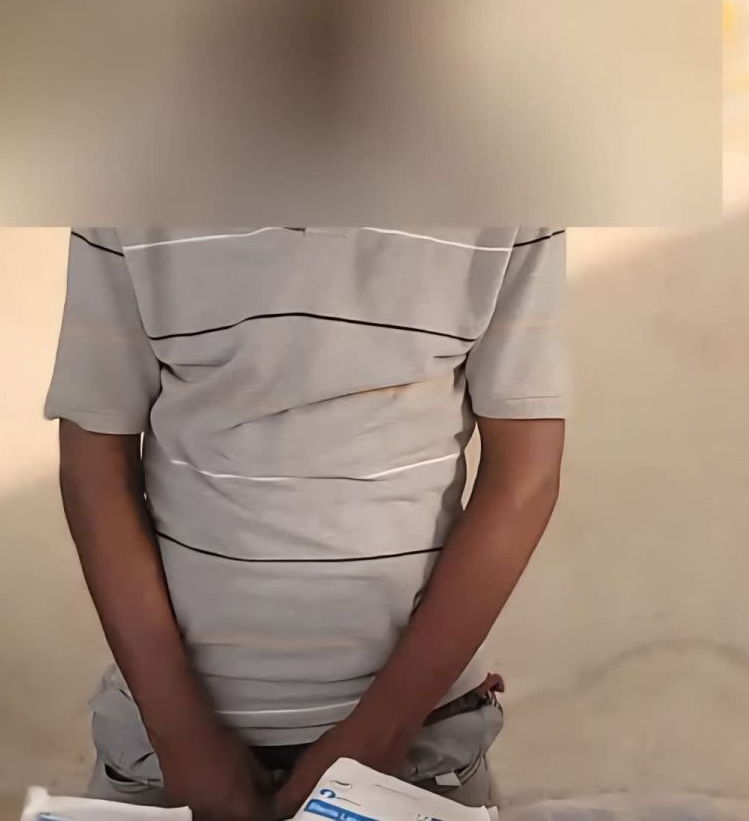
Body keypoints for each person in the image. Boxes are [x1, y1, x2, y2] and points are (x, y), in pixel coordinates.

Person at [45, 225, 567, 817]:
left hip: (418, 753)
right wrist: (182, 739)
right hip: (159, 754)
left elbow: (525, 479)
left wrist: (376, 741)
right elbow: (94, 467)